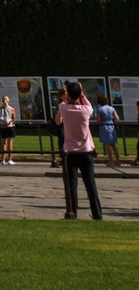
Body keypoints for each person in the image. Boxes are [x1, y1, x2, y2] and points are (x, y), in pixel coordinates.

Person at [55, 80, 102, 219]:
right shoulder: (86, 110)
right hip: (86, 152)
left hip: (70, 153)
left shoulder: (64, 108)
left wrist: (71, 93)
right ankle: (97, 215)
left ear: (68, 94)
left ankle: (72, 213)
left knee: (71, 187)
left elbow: (62, 107)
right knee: (91, 186)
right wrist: (81, 93)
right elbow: (86, 103)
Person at [95, 94, 120, 167]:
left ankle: (111, 161)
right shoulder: (111, 108)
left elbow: (98, 120)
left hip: (104, 126)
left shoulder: (100, 109)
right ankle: (118, 161)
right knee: (113, 144)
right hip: (111, 125)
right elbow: (117, 118)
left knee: (107, 144)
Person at [0, 95, 16, 165]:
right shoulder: (11, 109)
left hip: (2, 127)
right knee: (10, 143)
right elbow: (14, 118)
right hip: (10, 126)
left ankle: (3, 159)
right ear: (8, 101)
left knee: (3, 143)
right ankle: (10, 159)